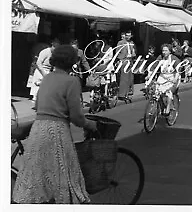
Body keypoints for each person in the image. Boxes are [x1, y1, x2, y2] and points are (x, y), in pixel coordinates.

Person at [12, 45, 97, 204]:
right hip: (57, 131)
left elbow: (37, 106)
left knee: (37, 174)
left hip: (38, 128)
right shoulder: (72, 81)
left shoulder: (47, 78)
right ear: (72, 62)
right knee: (61, 174)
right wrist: (89, 124)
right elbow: (76, 117)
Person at [146, 44, 181, 115]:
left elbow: (178, 70)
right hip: (162, 77)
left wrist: (175, 79)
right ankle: (157, 105)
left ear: (170, 51)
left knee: (168, 92)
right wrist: (149, 75)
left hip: (172, 77)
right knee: (156, 91)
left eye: (166, 50)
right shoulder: (160, 57)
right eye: (163, 50)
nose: (164, 52)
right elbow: (153, 66)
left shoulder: (174, 59)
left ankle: (168, 107)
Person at [30, 38, 60, 106]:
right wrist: (43, 73)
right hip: (41, 71)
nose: (55, 49)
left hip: (49, 71)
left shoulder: (55, 54)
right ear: (52, 46)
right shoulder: (45, 52)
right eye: (55, 47)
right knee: (38, 90)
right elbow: (38, 63)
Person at [116, 30, 136, 100]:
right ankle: (122, 95)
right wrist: (120, 60)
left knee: (130, 78)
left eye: (129, 35)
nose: (128, 37)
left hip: (130, 60)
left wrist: (134, 54)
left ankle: (127, 93)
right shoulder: (121, 42)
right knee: (124, 78)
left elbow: (133, 51)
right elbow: (117, 52)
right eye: (127, 35)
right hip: (124, 60)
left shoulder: (131, 42)